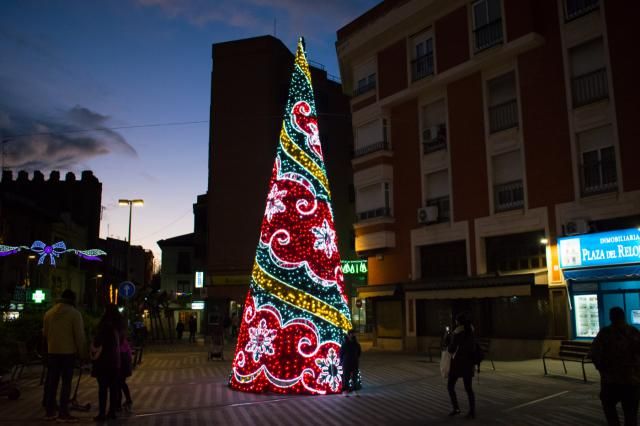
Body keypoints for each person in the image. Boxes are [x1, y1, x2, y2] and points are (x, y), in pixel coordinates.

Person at [591, 307, 640, 426]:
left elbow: (594, 353)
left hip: (610, 381)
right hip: (631, 381)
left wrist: (602, 369)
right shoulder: (634, 332)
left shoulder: (605, 333)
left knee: (609, 409)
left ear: (611, 317)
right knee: (631, 414)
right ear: (623, 316)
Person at [42, 289, 86, 423]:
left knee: (52, 382)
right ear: (73, 300)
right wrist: (83, 354)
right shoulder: (74, 314)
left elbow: (45, 334)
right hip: (68, 353)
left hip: (52, 352)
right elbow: (79, 336)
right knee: (66, 383)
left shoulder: (49, 313)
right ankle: (63, 413)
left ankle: (49, 412)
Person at [91, 305, 122, 422]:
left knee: (103, 388)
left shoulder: (104, 327)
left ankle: (102, 413)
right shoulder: (119, 327)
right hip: (115, 361)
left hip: (103, 361)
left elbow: (97, 342)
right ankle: (112, 412)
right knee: (113, 388)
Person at [447, 313, 476, 419]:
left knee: (450, 386)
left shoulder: (457, 332)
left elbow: (451, 348)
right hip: (469, 363)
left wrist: (448, 342)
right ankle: (472, 411)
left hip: (457, 364)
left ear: (458, 322)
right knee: (469, 388)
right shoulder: (471, 331)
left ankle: (456, 408)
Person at [115, 326, 133, 413]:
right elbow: (129, 353)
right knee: (121, 383)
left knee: (119, 384)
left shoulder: (118, 342)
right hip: (124, 365)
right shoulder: (124, 341)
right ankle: (127, 399)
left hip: (120, 364)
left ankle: (118, 404)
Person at [339, 329, 361, 396]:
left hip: (354, 362)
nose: (353, 335)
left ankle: (354, 390)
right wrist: (342, 361)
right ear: (348, 335)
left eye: (354, 334)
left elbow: (359, 353)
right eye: (351, 334)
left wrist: (355, 358)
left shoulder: (356, 344)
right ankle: (345, 390)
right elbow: (341, 353)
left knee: (354, 377)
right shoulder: (345, 344)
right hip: (346, 362)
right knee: (346, 377)